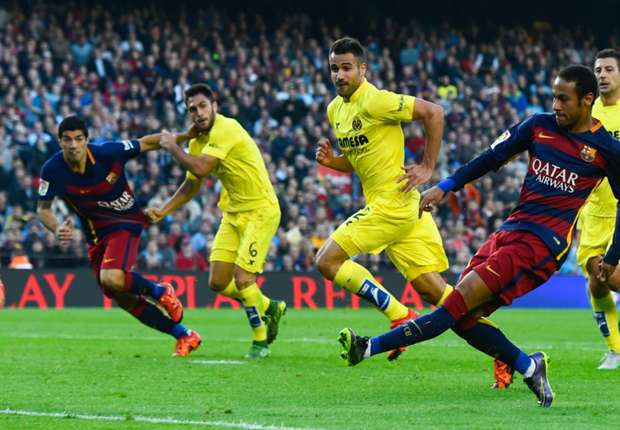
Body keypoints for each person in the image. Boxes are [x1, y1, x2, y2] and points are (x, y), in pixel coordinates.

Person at [338, 65, 620, 407]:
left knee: (452, 307)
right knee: (463, 318)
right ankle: (529, 366)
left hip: (541, 245)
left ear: (587, 100)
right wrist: (447, 185)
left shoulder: (606, 148)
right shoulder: (538, 126)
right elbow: (490, 158)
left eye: (564, 99)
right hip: (510, 231)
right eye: (554, 97)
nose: (556, 105)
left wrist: (613, 256)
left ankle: (367, 347)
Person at [316, 36, 511, 385]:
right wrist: (334, 163)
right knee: (438, 294)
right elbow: (362, 160)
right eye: (334, 68)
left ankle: (397, 314)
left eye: (347, 68)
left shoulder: (376, 100)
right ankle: (505, 354)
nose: (340, 75)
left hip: (393, 203)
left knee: (326, 261)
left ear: (363, 69)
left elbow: (433, 112)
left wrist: (427, 166)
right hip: (400, 205)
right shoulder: (335, 110)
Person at [37, 115, 201, 357]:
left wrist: (184, 136)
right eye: (67, 140)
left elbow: (147, 142)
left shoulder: (107, 153)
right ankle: (184, 334)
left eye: (78, 139)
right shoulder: (52, 170)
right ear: (59, 142)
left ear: (86, 140)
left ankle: (161, 292)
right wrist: (57, 228)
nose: (73, 145)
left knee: (112, 278)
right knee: (120, 296)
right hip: (95, 235)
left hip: (126, 222)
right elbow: (43, 210)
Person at [146, 83, 286, 359]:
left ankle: (261, 341)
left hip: (260, 210)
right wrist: (164, 210)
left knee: (243, 278)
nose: (198, 113)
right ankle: (270, 307)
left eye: (202, 106)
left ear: (214, 105)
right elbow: (191, 185)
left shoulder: (226, 128)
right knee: (218, 282)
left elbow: (199, 167)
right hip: (233, 213)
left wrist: (174, 146)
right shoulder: (198, 142)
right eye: (192, 110)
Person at [576, 49, 620, 370]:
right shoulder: (584, 117)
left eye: (608, 69)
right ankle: (615, 350)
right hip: (592, 213)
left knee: (615, 277)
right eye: (598, 70)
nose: (602, 75)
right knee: (597, 279)